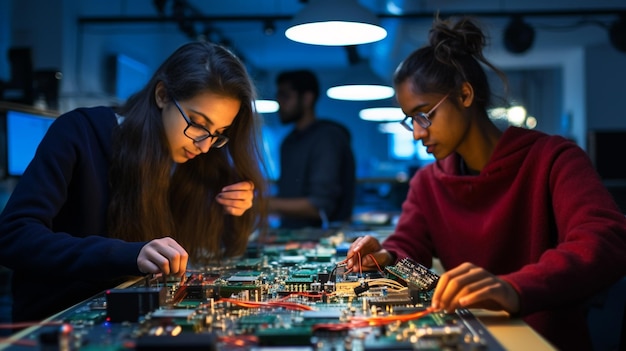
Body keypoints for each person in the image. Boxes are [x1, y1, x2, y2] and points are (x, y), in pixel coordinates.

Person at [345, 16, 626, 351]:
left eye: (424, 115)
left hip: (545, 341)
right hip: (471, 340)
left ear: (464, 95)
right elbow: (408, 244)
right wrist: (387, 255)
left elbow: (605, 239)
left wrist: (514, 288)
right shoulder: (427, 182)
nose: (418, 133)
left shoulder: (553, 158)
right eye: (411, 121)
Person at [0, 41, 267, 323]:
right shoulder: (81, 132)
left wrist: (233, 210)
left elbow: (217, 250)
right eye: (198, 124)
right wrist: (129, 254)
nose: (204, 145)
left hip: (137, 317)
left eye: (218, 133)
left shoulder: (194, 161)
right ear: (162, 95)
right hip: (56, 322)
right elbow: (13, 236)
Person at [267, 69, 356, 229]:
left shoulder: (327, 137)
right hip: (290, 239)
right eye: (278, 96)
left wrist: (262, 204)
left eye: (285, 96)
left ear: (307, 98)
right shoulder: (288, 142)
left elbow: (320, 205)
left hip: (323, 242)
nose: (279, 103)